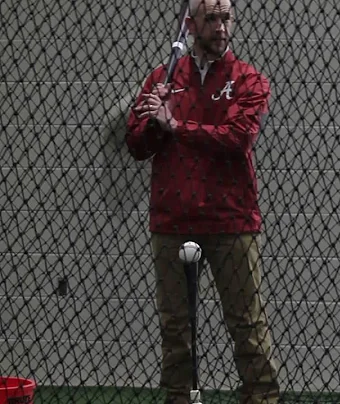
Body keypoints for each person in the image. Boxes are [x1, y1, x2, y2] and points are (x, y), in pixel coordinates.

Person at [124, 0, 280, 403]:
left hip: (231, 221)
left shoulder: (249, 80)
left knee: (247, 326)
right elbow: (137, 145)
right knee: (176, 329)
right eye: (211, 18)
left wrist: (176, 125)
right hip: (172, 220)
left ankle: (262, 399)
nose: (221, 27)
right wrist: (154, 120)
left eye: (226, 17)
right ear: (190, 25)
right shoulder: (164, 78)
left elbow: (237, 138)